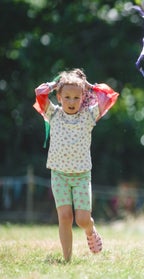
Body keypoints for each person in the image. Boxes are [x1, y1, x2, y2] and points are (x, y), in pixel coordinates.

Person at [33, 68, 119, 262]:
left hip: (81, 176)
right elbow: (39, 93)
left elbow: (109, 95)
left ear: (83, 98)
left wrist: (89, 86)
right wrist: (56, 84)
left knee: (81, 219)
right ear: (60, 97)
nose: (71, 102)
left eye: (76, 97)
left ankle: (90, 230)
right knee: (64, 217)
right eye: (67, 97)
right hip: (59, 175)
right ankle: (67, 259)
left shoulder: (88, 116)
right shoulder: (53, 114)